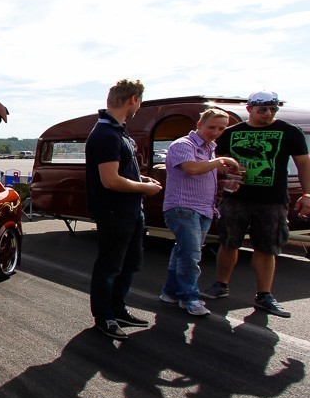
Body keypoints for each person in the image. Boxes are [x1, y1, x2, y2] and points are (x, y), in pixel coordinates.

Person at [203, 92, 310, 318]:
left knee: (267, 247)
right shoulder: (230, 133)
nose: (268, 113)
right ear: (250, 109)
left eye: (273, 109)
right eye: (263, 110)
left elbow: (303, 164)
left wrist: (307, 193)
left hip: (272, 201)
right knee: (228, 243)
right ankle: (221, 284)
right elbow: (216, 162)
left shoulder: (290, 131)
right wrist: (225, 177)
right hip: (235, 199)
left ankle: (264, 295)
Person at [85, 79, 162, 340]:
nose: (139, 107)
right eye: (140, 102)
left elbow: (121, 173)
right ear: (133, 99)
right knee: (110, 265)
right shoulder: (106, 134)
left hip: (130, 209)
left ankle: (118, 308)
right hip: (114, 211)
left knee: (130, 263)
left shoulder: (119, 132)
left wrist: (141, 180)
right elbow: (110, 180)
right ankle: (104, 316)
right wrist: (144, 188)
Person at [158, 109, 241, 316]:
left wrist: (224, 181)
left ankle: (170, 292)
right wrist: (220, 161)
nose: (216, 132)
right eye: (211, 127)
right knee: (191, 255)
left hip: (204, 207)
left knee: (183, 251)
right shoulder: (183, 145)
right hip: (183, 206)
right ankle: (190, 298)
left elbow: (204, 173)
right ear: (199, 125)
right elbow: (192, 169)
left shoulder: (210, 148)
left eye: (221, 129)